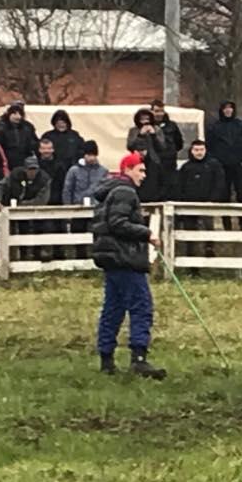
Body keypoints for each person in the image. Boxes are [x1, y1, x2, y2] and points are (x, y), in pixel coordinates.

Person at [91, 153, 165, 378]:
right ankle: (139, 359)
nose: (144, 175)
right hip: (125, 258)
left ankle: (107, 360)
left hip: (111, 259)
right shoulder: (125, 191)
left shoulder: (109, 191)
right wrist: (147, 233)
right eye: (140, 170)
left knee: (113, 309)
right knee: (141, 306)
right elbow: (118, 223)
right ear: (128, 169)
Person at [208, 101, 242, 203]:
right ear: (222, 110)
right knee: (224, 193)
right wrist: (215, 162)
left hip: (239, 164)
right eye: (225, 108)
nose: (228, 110)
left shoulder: (240, 125)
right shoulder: (214, 126)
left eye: (230, 108)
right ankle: (225, 218)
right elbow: (210, 145)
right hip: (222, 165)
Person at [0, 102, 38, 171]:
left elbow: (34, 142)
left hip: (24, 161)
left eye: (20, 114)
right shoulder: (1, 128)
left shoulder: (28, 127)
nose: (17, 116)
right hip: (6, 162)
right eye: (14, 113)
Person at [61, 141, 105, 207]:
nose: (92, 158)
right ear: (84, 155)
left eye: (94, 155)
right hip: (76, 208)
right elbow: (67, 191)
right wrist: (68, 208)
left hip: (96, 208)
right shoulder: (74, 170)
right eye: (89, 155)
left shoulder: (103, 171)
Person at [42, 110, 85, 174]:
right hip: (52, 169)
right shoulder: (48, 136)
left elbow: (82, 150)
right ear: (54, 124)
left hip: (71, 169)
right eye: (58, 123)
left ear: (67, 123)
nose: (61, 125)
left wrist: (76, 163)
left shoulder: (74, 135)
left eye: (63, 123)